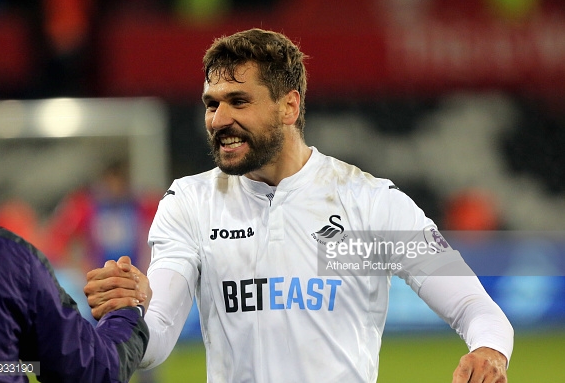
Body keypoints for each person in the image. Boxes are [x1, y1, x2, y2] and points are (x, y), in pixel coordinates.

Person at [84, 28, 513, 382]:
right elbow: (155, 342)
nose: (217, 120)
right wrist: (131, 310)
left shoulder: (370, 202)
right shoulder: (190, 203)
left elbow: (473, 306)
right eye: (211, 104)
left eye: (238, 101)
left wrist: (489, 351)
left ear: (289, 106)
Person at [0, 199, 150, 383]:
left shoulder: (135, 205)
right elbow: (87, 368)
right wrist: (129, 312)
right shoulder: (9, 262)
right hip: (102, 290)